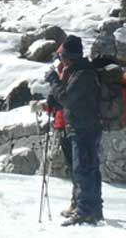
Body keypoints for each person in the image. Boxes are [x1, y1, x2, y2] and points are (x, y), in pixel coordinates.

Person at [47, 35, 104, 226]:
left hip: (84, 127)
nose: (60, 59)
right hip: (83, 126)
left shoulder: (83, 74)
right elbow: (69, 97)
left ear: (69, 56)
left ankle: (85, 211)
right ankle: (92, 209)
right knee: (87, 168)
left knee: (84, 169)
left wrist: (54, 80)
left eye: (62, 56)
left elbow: (67, 99)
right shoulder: (77, 71)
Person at [42, 51, 77, 218]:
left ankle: (78, 204)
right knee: (75, 168)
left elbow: (64, 100)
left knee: (76, 168)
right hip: (64, 124)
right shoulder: (67, 73)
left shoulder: (68, 74)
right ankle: (78, 203)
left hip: (67, 125)